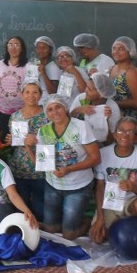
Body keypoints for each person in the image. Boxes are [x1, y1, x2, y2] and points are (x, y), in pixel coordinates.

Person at [37, 94, 100, 239]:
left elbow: (95, 158)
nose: (55, 112)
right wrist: (28, 147)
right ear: (46, 113)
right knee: (50, 231)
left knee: (68, 235)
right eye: (50, 109)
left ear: (65, 107)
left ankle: (86, 223)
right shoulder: (43, 131)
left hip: (78, 186)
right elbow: (42, 161)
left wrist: (68, 169)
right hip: (52, 185)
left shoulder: (80, 126)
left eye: (58, 107)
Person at [90, 117, 137, 244]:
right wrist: (100, 218)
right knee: (98, 238)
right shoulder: (103, 154)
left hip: (131, 202)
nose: (124, 135)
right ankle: (100, 222)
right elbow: (100, 188)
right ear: (114, 135)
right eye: (121, 131)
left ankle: (134, 227)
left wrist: (134, 188)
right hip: (109, 202)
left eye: (130, 132)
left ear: (136, 138)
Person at [4, 79, 48, 220]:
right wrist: (10, 141)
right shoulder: (15, 116)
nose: (31, 95)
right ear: (22, 95)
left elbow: (53, 140)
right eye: (27, 92)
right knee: (22, 213)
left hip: (40, 171)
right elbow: (15, 141)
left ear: (40, 95)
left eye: (35, 92)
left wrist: (35, 140)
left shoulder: (47, 116)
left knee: (41, 213)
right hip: (19, 169)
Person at [69, 72, 121, 145]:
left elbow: (111, 141)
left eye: (89, 90)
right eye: (87, 87)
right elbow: (67, 121)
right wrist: (78, 110)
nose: (85, 90)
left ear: (101, 94)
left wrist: (106, 121)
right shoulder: (81, 98)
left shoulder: (112, 108)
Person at [0, 36, 28, 141]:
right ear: (7, 48)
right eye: (10, 45)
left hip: (20, 112)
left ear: (22, 48)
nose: (13, 48)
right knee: (2, 142)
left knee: (17, 141)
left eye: (17, 45)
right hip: (1, 110)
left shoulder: (28, 66)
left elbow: (31, 87)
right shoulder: (0, 64)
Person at [109, 36, 137, 119]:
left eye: (121, 49)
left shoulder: (131, 72)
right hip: (112, 116)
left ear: (130, 52)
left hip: (127, 119)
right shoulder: (112, 68)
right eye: (114, 48)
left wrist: (113, 103)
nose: (116, 52)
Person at [32, 36, 61, 104]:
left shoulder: (53, 67)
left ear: (50, 50)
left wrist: (43, 73)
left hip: (46, 104)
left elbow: (53, 92)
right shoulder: (34, 65)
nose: (41, 50)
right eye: (38, 47)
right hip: (35, 102)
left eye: (44, 48)